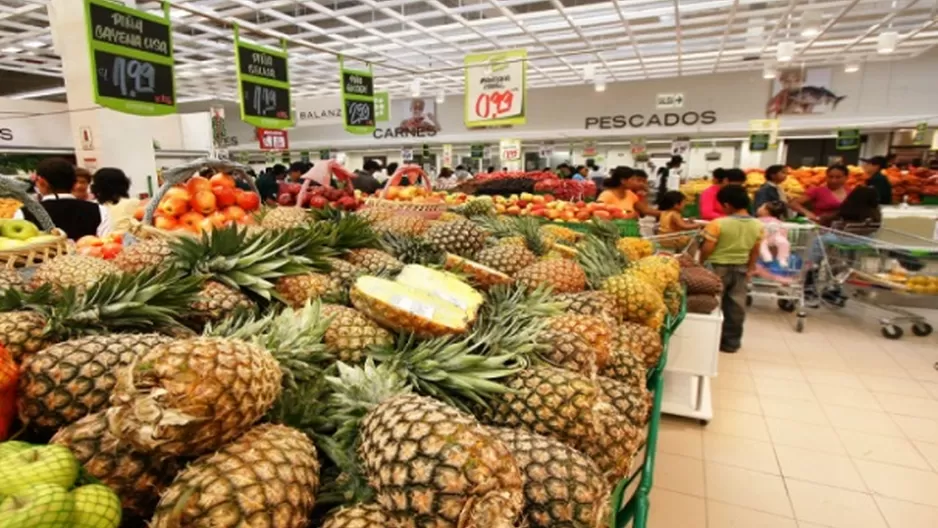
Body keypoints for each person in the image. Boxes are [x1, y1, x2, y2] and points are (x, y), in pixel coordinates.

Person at [699, 185, 764, 353]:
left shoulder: (718, 224)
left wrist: (701, 263)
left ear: (726, 205)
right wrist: (750, 268)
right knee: (736, 306)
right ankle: (731, 342)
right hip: (741, 269)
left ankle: (707, 340)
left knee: (710, 303)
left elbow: (708, 247)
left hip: (716, 268)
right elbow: (755, 250)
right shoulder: (757, 225)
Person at [17, 158, 110, 240]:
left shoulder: (24, 213)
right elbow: (108, 244)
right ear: (74, 183)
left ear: (42, 182)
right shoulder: (99, 210)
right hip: (89, 259)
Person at [757, 201, 791, 269]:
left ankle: (766, 257)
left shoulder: (756, 221)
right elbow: (784, 234)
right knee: (784, 243)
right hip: (776, 238)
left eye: (761, 207)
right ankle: (782, 259)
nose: (758, 208)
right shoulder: (781, 223)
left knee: (761, 244)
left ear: (766, 211)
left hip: (762, 238)